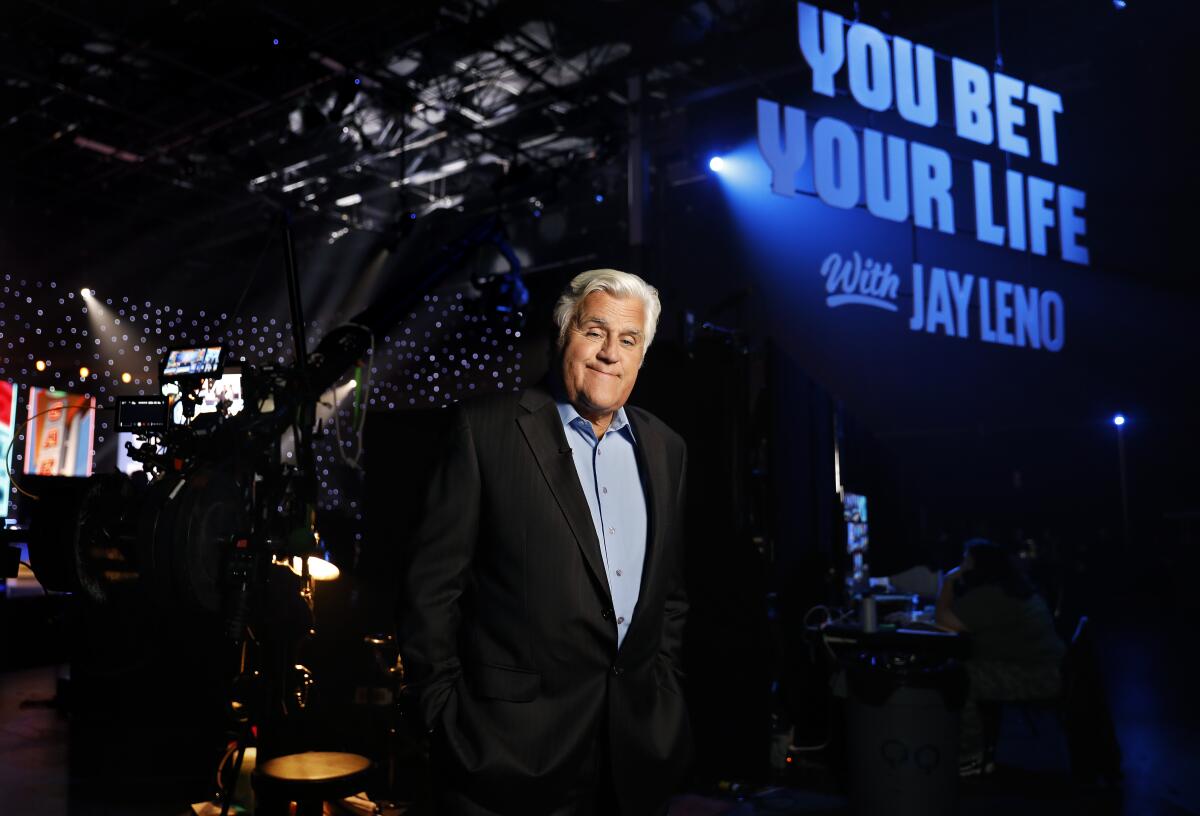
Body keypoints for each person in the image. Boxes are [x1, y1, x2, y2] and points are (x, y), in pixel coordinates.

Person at [399, 269, 691, 815]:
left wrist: (665, 696)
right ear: (565, 336)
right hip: (507, 755)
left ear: (642, 356)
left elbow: (668, 597)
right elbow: (430, 593)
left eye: (628, 340)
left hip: (633, 754)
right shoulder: (484, 430)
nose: (609, 353)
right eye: (594, 331)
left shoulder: (666, 448)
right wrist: (441, 714)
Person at [935, 538, 1065, 775]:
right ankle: (981, 752)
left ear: (978, 566)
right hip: (1050, 669)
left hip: (1036, 676)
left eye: (966, 560)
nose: (962, 565)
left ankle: (970, 759)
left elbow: (944, 620)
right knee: (964, 669)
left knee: (961, 678)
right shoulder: (1010, 587)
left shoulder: (991, 595)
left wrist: (947, 581)